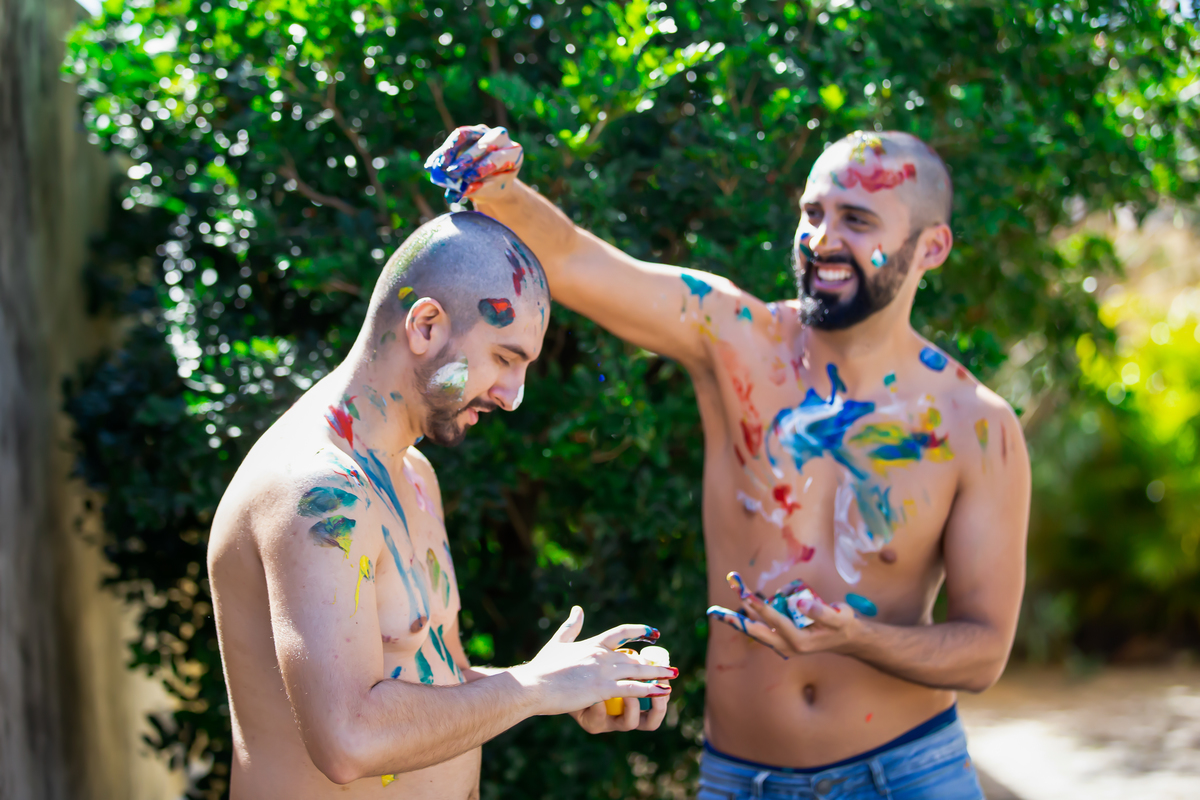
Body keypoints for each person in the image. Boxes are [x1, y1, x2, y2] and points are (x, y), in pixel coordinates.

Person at [431, 127, 1031, 799]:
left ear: (932, 247)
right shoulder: (734, 336)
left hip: (909, 775)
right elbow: (572, 258)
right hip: (741, 780)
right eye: (812, 213)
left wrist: (854, 636)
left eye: (857, 220)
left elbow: (983, 654)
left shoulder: (976, 425)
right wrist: (499, 188)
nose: (822, 239)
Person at [207, 211, 677, 800]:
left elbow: (434, 681)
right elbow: (348, 739)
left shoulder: (414, 475)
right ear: (425, 325)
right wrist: (533, 689)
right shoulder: (317, 491)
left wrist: (569, 682)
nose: (513, 396)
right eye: (504, 358)